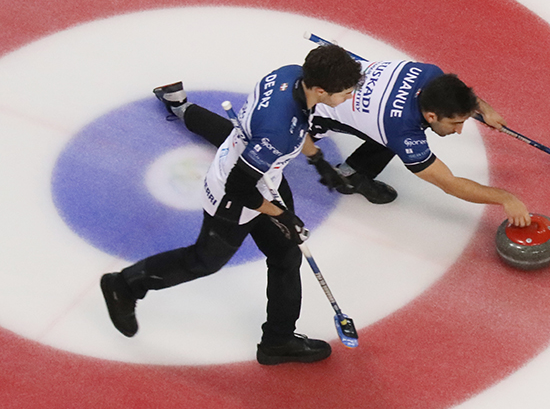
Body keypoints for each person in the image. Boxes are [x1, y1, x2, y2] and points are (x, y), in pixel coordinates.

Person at [100, 44, 364, 365]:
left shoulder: (292, 75)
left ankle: (277, 341)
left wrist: (317, 158)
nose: (350, 97)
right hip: (235, 195)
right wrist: (282, 216)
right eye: (347, 92)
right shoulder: (278, 133)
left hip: (266, 176)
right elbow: (239, 187)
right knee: (204, 261)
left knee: (286, 255)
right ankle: (124, 285)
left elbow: (299, 124)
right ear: (321, 90)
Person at [307, 55, 533, 228]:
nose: (460, 130)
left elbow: (459, 91)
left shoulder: (432, 74)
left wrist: (486, 109)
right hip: (312, 114)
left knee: (387, 132)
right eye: (455, 123)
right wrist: (506, 198)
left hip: (358, 98)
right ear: (431, 117)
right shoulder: (403, 132)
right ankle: (347, 178)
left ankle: (352, 170)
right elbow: (449, 184)